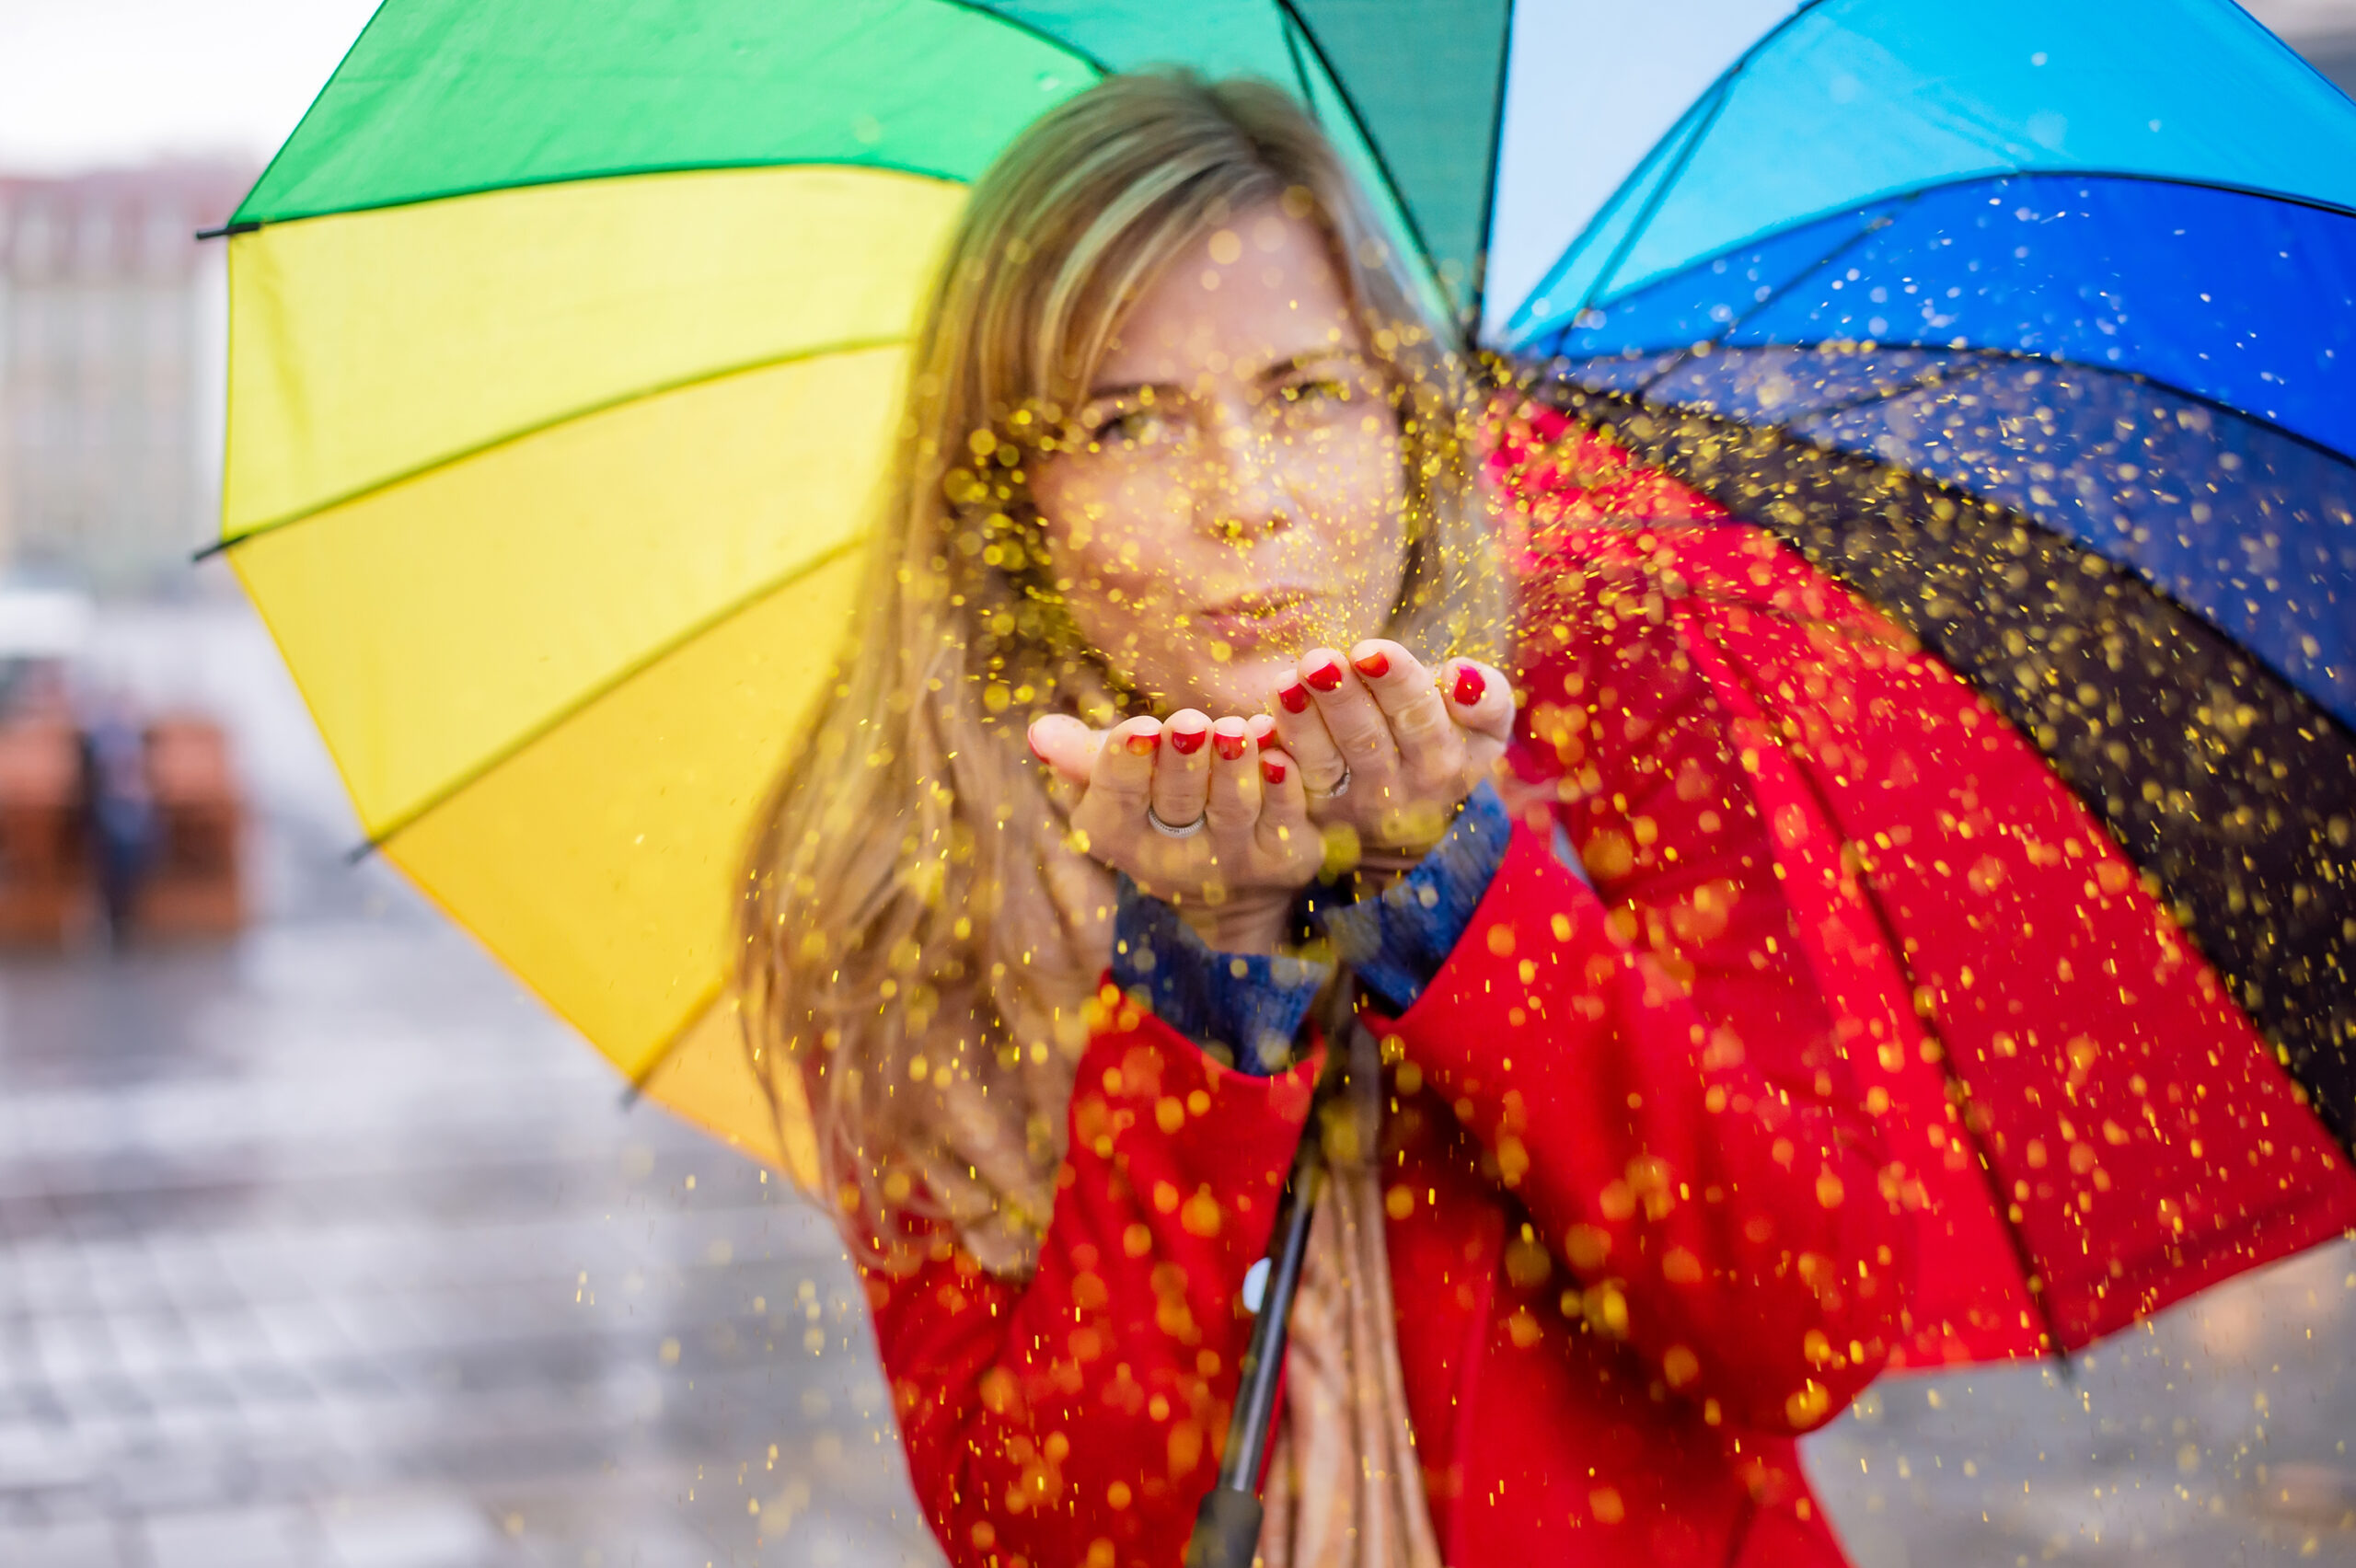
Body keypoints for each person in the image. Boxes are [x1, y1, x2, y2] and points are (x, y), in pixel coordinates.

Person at [738, 74, 1909, 1568]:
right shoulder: (923, 879)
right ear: (1012, 500)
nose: (1245, 499)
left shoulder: (1604, 713)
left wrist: (1456, 889)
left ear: (1405, 424)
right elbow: (1038, 1530)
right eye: (1127, 419)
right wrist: (1201, 987)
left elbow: (1805, 1319)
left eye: (1306, 393)